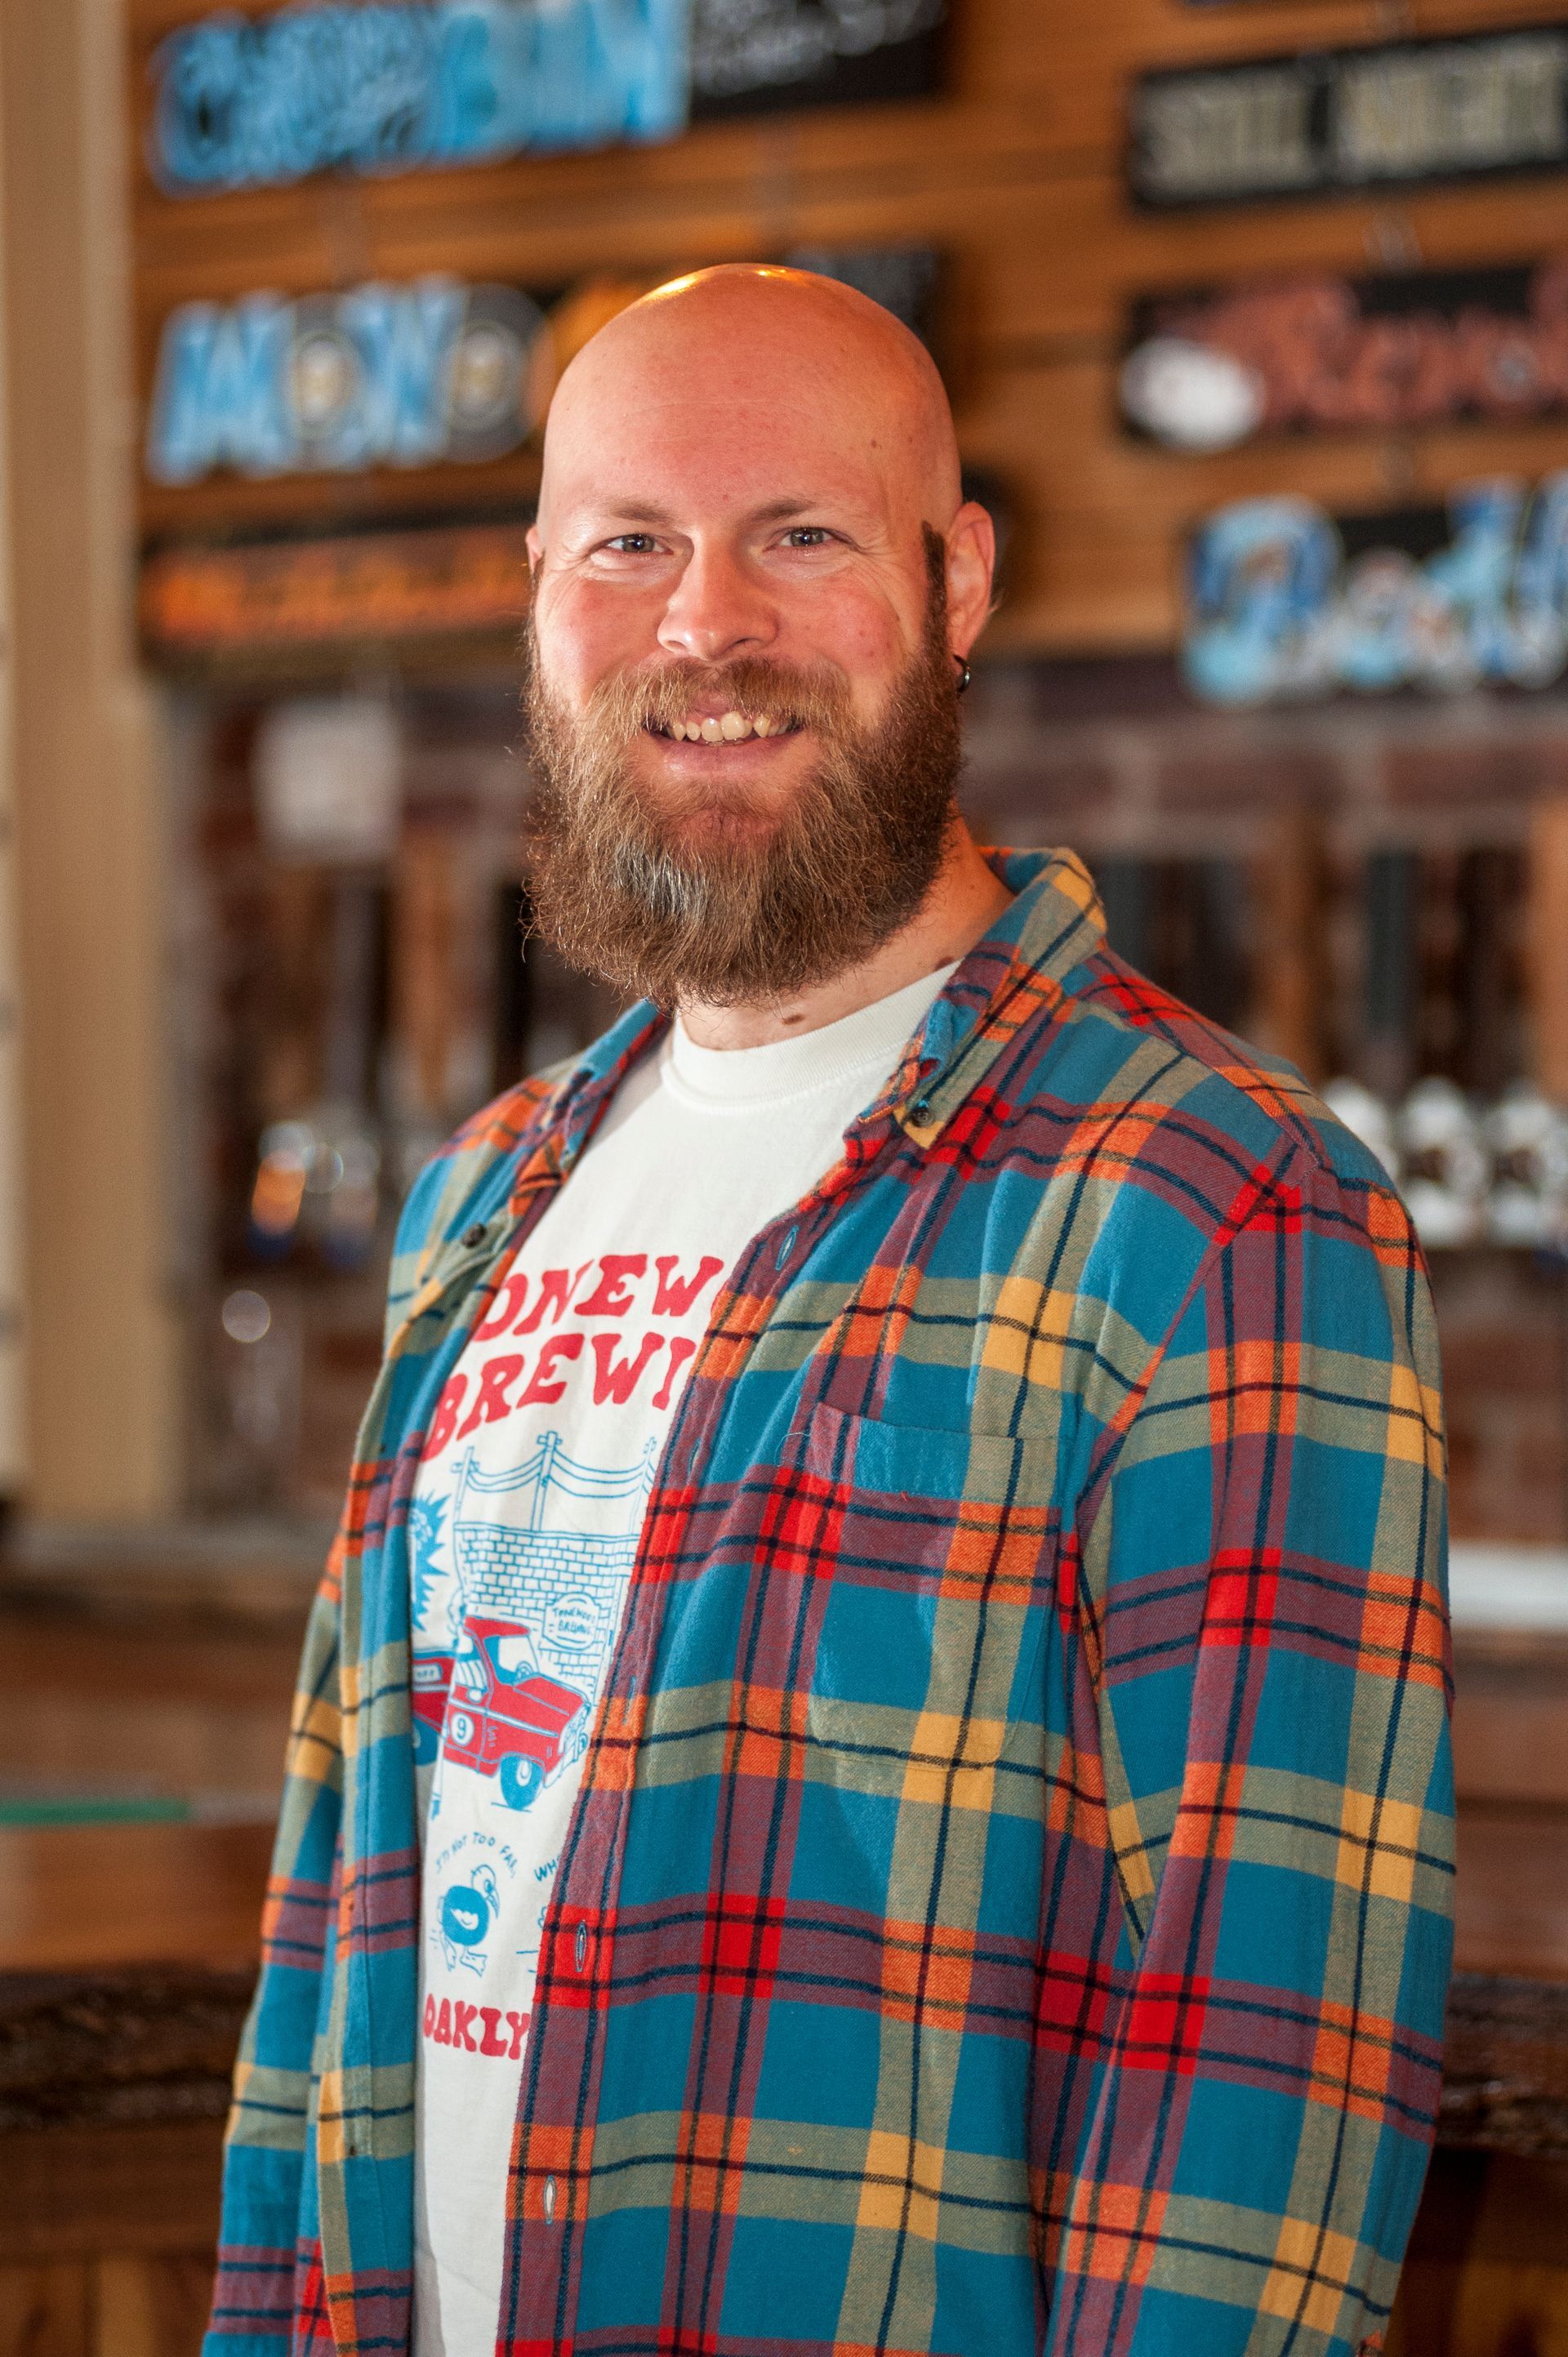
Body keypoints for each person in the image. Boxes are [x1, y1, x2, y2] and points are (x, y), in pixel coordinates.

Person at [206, 267, 1453, 2357]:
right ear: (539, 593)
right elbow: (330, 1951)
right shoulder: (479, 1202)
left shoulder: (1213, 1207)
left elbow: (1270, 2085)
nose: (706, 626)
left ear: (957, 582)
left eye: (802, 534)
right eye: (630, 543)